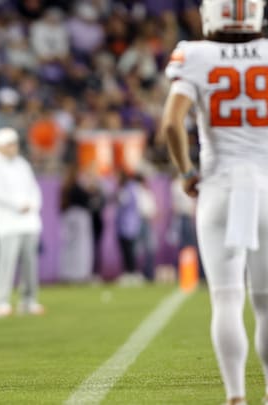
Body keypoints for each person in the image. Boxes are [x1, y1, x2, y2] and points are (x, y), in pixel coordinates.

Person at [162, 1, 268, 404]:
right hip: (266, 188)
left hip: (221, 187)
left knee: (226, 298)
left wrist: (187, 173)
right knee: (266, 303)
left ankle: (236, 396)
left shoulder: (196, 54)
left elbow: (172, 122)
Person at [0, 127, 44, 317]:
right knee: (6, 263)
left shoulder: (22, 164)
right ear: (0, 146)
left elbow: (34, 188)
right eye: (9, 144)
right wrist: (18, 205)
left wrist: (33, 205)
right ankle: (1, 301)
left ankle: (29, 300)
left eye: (15, 144)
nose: (14, 147)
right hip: (7, 223)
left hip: (29, 221)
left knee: (30, 263)